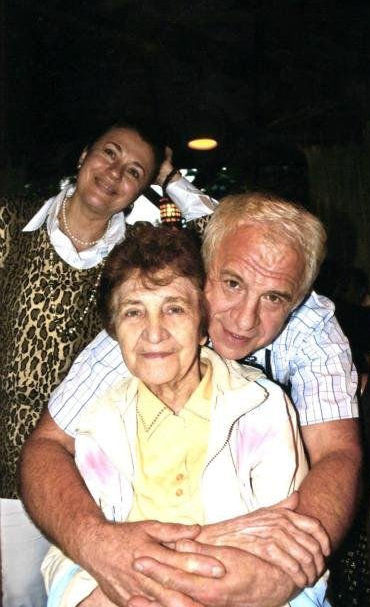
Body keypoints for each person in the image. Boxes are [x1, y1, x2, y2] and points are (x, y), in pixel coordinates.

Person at [19, 192, 361, 607]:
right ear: (203, 270)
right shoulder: (149, 332)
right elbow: (47, 444)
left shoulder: (311, 335)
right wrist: (98, 544)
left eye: (274, 298)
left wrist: (284, 572)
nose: (245, 318)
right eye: (232, 283)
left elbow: (337, 453)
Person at [0, 118, 216, 607]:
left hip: (99, 466)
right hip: (7, 463)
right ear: (84, 155)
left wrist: (172, 179)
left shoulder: (137, 250)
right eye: (110, 153)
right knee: (21, 594)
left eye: (135, 171)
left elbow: (222, 244)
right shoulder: (13, 222)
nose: (116, 172)